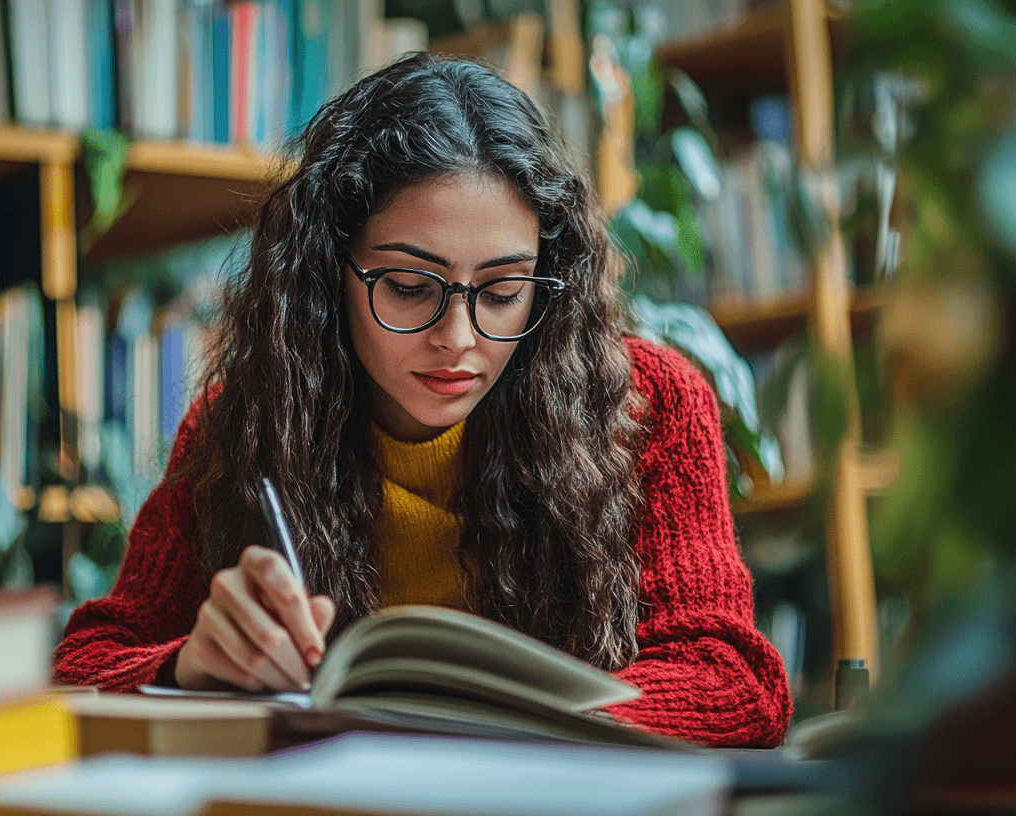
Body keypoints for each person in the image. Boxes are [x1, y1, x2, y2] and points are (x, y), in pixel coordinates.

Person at [54, 53, 792, 748]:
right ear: (328, 271)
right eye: (410, 288)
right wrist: (190, 664)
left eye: (504, 292)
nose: (460, 339)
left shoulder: (645, 406)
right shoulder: (242, 425)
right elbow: (81, 663)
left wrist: (513, 740)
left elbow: (732, 679)